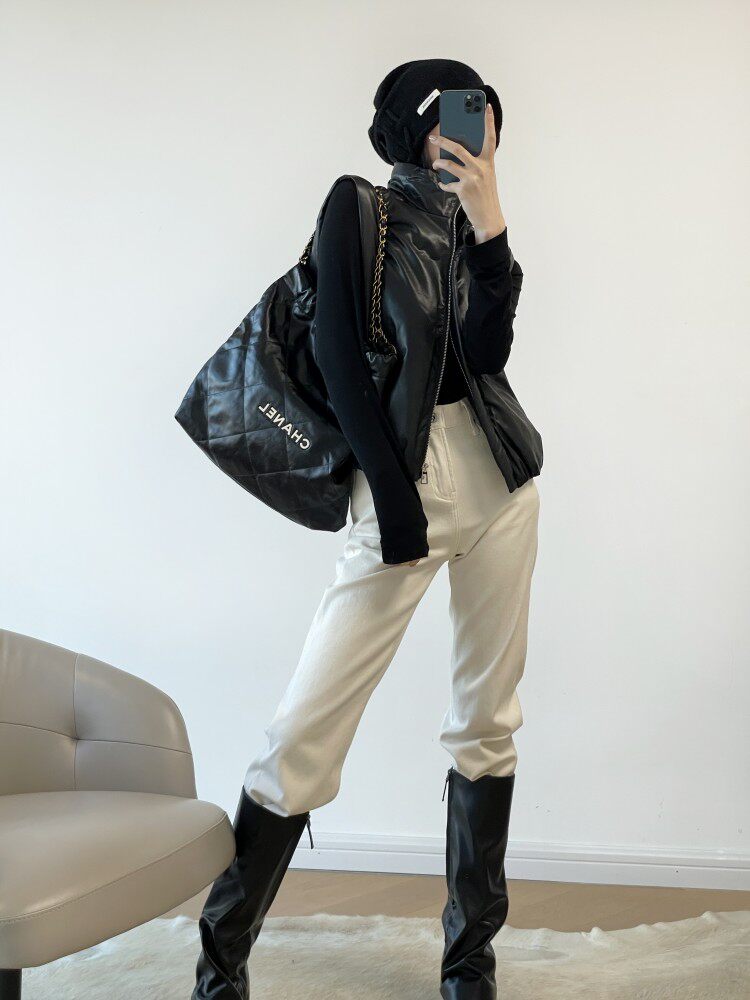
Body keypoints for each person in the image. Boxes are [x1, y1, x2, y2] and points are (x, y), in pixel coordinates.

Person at [191, 58, 543, 1000]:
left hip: (502, 486)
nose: (471, 133)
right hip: (402, 489)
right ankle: (220, 964)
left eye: (485, 118)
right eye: (455, 116)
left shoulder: (471, 222)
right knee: (305, 732)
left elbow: (488, 355)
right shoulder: (359, 208)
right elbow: (341, 355)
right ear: (412, 127)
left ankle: (469, 965)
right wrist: (391, 498)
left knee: (487, 723)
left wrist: (494, 227)